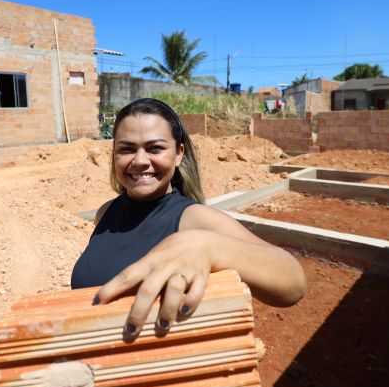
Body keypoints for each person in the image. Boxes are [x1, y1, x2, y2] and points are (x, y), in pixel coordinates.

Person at [72, 98, 306, 337]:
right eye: (127, 149)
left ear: (178, 154)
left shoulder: (196, 220)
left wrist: (209, 248)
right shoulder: (105, 213)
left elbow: (294, 282)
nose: (140, 160)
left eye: (155, 148)